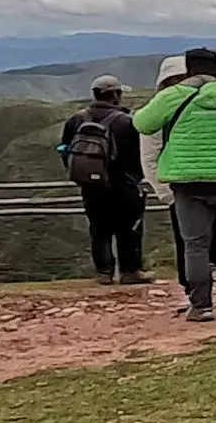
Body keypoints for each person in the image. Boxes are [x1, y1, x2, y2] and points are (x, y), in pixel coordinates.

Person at [134, 47, 216, 322]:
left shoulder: (173, 97)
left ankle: (201, 306)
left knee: (195, 245)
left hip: (189, 183)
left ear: (189, 69)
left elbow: (143, 123)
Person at [140, 55, 216, 297]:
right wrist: (167, 194)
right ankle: (196, 290)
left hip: (197, 183)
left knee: (200, 241)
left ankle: (202, 292)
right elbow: (150, 155)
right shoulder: (159, 109)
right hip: (184, 187)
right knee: (192, 242)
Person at [59, 73, 149, 285]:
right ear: (117, 94)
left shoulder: (76, 120)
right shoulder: (128, 122)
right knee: (129, 228)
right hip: (124, 184)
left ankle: (103, 272)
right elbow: (138, 156)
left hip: (91, 186)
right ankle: (130, 272)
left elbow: (65, 150)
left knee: (99, 229)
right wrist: (137, 177)